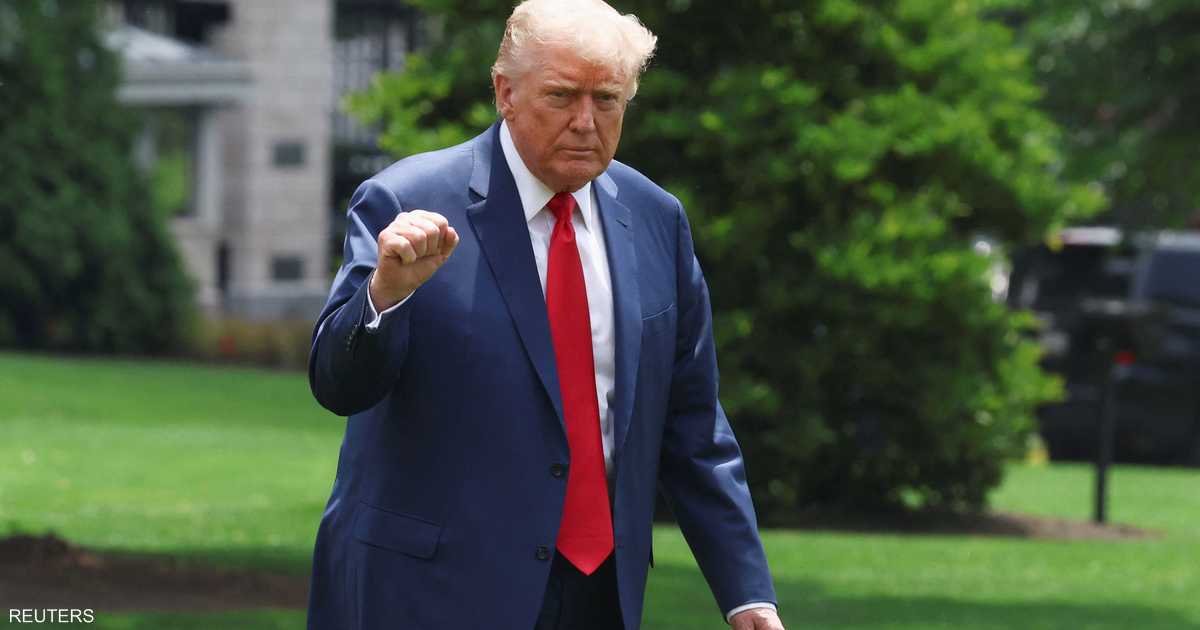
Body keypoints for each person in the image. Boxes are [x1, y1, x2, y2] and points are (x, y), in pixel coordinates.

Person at [305, 1, 783, 628]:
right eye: (561, 96)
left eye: (606, 99)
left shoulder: (656, 218)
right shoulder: (407, 201)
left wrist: (747, 594)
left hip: (599, 595)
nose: (585, 122)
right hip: (433, 592)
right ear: (505, 91)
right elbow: (338, 385)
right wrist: (386, 294)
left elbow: (693, 425)